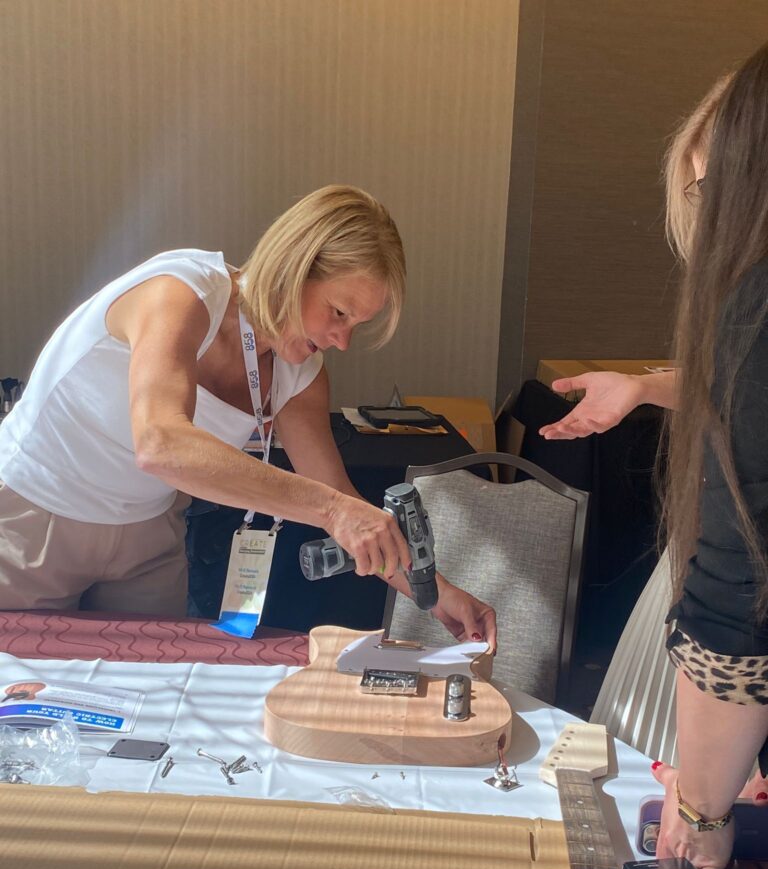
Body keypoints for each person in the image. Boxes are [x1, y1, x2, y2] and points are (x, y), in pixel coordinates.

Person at [0, 184, 496, 649]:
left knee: (152, 704)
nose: (342, 341)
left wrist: (436, 594)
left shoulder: (300, 374)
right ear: (294, 267)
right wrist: (332, 511)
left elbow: (346, 504)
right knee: (20, 696)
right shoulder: (181, 292)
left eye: (356, 326)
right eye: (339, 313)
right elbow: (160, 444)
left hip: (147, 535)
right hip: (38, 513)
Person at [541, 60, 768, 869]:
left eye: (712, 189)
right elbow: (736, 389)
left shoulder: (756, 301)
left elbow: (737, 612)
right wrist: (645, 386)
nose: (702, 215)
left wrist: (705, 808)